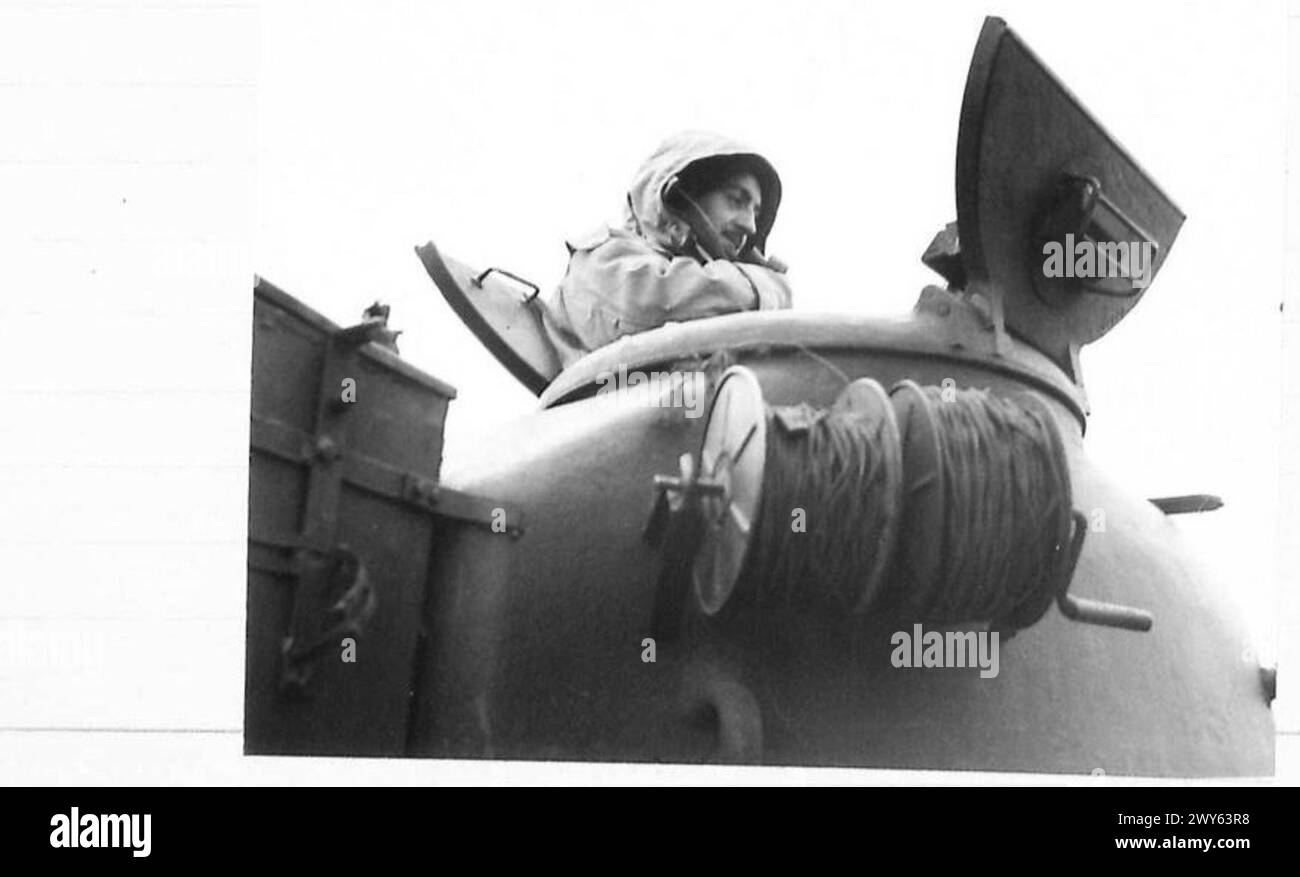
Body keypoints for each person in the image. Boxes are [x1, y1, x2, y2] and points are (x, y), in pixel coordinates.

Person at [540, 131, 792, 366]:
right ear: (682, 197)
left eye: (756, 214)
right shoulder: (602, 261)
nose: (750, 226)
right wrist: (762, 287)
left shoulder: (715, 296)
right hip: (616, 404)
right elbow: (656, 304)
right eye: (736, 200)